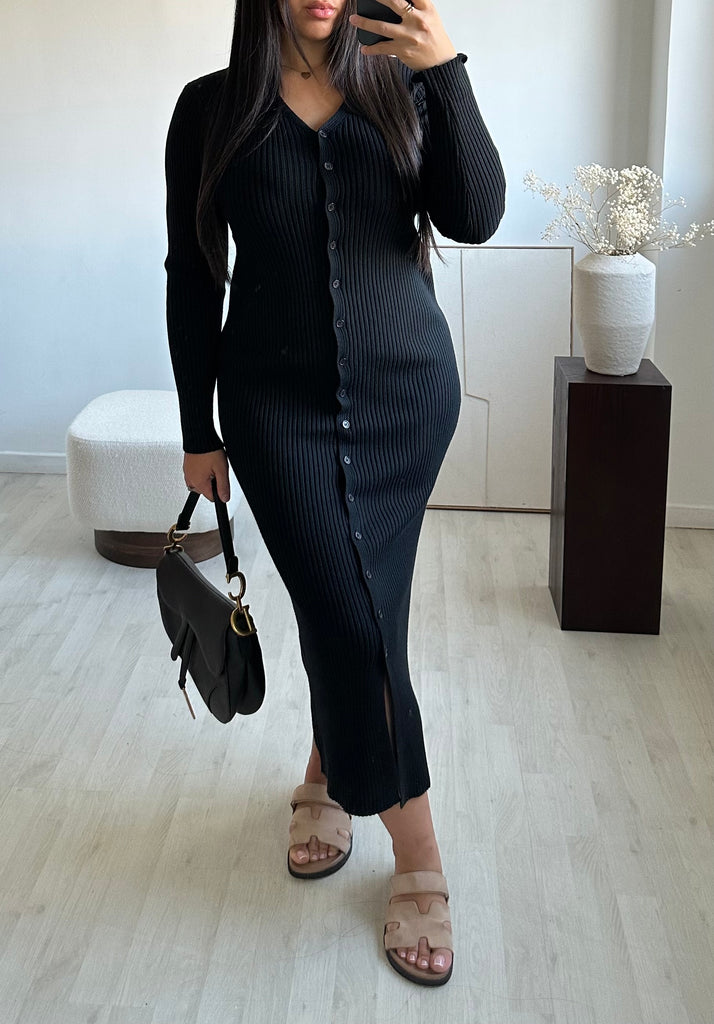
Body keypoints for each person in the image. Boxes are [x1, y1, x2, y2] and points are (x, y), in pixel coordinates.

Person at [164, 0, 505, 987]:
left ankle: (340, 782)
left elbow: (476, 217)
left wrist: (447, 71)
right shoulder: (210, 110)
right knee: (351, 613)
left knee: (357, 613)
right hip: (275, 415)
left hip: (408, 401)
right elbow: (195, 274)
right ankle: (413, 841)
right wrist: (196, 427)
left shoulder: (406, 89)